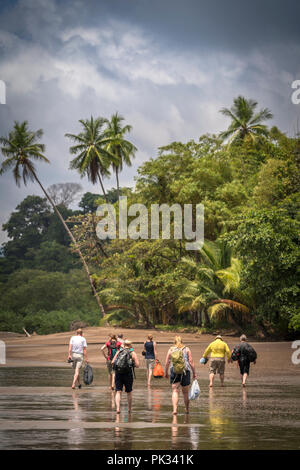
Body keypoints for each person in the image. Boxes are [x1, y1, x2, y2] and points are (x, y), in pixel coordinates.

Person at [164, 336, 197, 415]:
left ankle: (175, 410)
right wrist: (194, 373)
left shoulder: (171, 349)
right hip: (185, 370)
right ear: (182, 341)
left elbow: (167, 362)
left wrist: (166, 372)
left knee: (175, 390)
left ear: (174, 341)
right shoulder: (186, 349)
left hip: (174, 370)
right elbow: (191, 361)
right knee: (185, 392)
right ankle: (187, 409)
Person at [112, 339, 139, 414]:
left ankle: (118, 409)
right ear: (130, 345)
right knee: (129, 392)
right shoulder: (132, 353)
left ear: (124, 344)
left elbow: (113, 362)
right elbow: (137, 365)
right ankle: (129, 409)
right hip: (128, 374)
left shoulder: (119, 352)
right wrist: (132, 363)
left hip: (118, 373)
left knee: (118, 391)